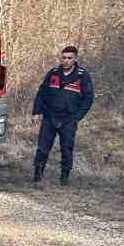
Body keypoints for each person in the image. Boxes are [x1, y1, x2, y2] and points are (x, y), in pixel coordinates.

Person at [32, 45, 94, 186]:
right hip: (49, 116)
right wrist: (36, 112)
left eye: (69, 58)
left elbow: (88, 98)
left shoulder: (82, 75)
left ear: (75, 59)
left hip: (69, 119)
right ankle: (37, 176)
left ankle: (64, 178)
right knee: (42, 148)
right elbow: (42, 93)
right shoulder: (53, 73)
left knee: (66, 149)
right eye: (64, 57)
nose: (66, 60)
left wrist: (77, 117)